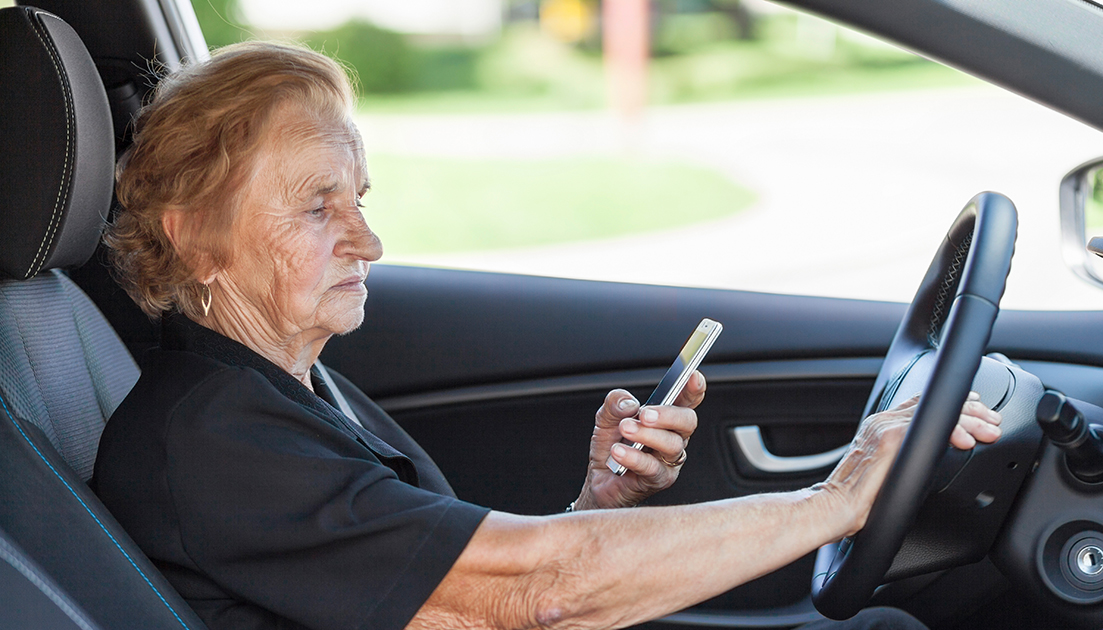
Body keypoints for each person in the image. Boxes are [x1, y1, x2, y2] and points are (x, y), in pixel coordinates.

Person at [91, 41, 1004, 630]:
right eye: (317, 206)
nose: (368, 240)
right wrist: (839, 500)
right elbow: (538, 593)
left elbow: (456, 595)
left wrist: (599, 503)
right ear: (193, 235)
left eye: (358, 200)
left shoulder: (287, 392)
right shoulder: (212, 440)